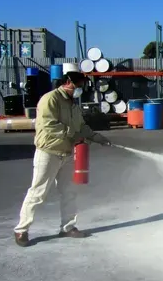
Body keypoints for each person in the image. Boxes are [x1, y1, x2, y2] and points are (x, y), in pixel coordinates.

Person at [14, 71, 111, 247]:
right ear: (68, 82)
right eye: (78, 85)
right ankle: (21, 229)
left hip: (66, 153)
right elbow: (49, 124)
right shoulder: (50, 99)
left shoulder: (73, 104)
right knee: (38, 192)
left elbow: (81, 126)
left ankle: (67, 227)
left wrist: (96, 137)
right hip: (48, 152)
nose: (80, 89)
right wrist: (73, 135)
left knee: (69, 192)